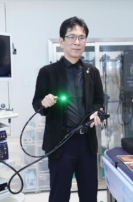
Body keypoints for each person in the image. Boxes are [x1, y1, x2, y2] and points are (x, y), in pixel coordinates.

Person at [32, 16, 104, 202]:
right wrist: (44, 103)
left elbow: (99, 101)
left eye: (81, 37)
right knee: (59, 195)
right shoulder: (48, 72)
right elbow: (37, 103)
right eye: (72, 37)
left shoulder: (92, 72)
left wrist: (98, 112)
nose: (77, 42)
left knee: (89, 194)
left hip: (86, 144)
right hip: (61, 144)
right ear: (61, 41)